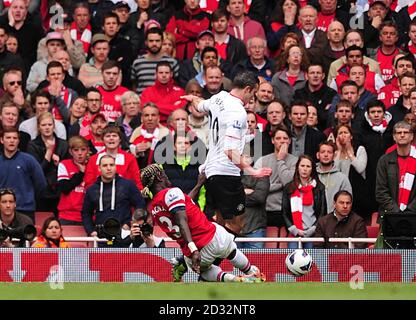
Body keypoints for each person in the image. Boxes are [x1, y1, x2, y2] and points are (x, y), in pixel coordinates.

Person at [139, 163, 266, 283]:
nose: (166, 176)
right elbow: (182, 220)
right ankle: (251, 272)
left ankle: (235, 280)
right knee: (230, 249)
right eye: (164, 174)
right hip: (209, 238)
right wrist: (193, 249)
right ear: (159, 177)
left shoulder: (154, 209)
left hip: (193, 254)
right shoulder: (171, 192)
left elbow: (184, 204)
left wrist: (199, 184)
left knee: (205, 272)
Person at [182, 70, 272, 235]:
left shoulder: (219, 98)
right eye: (253, 93)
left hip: (211, 172)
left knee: (219, 221)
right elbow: (230, 150)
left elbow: (200, 105)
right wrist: (253, 170)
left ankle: (211, 258)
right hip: (226, 173)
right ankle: (208, 254)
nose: (252, 98)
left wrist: (193, 98)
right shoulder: (237, 113)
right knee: (237, 225)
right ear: (247, 89)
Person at [82, 155, 145, 237]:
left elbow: (141, 205)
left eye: (111, 165)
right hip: (101, 237)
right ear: (99, 168)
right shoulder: (92, 189)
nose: (109, 168)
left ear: (115, 167)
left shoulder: (128, 185)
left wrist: (129, 224)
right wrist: (91, 231)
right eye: (105, 165)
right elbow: (86, 213)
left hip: (125, 234)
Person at [376, 121, 416, 248]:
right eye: (399, 133)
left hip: (414, 217)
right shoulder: (385, 160)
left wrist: (409, 211)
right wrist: (397, 213)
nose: (402, 135)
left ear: (412, 136)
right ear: (394, 137)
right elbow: (380, 192)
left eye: (406, 132)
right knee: (389, 262)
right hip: (389, 219)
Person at [255, 125, 298, 228]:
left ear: (290, 141)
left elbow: (288, 183)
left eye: (285, 138)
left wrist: (280, 159)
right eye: (278, 138)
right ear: (272, 140)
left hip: (287, 211)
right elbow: (257, 187)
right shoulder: (262, 160)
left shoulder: (296, 161)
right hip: (264, 210)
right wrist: (279, 185)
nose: (282, 141)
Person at [0, 127, 47, 221]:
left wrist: (28, 198)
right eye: (8, 138)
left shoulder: (29, 160)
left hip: (25, 210)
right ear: (1, 140)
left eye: (15, 138)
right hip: (2, 210)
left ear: (18, 141)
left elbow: (41, 184)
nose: (12, 141)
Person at [26, 112, 69, 214]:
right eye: (43, 125)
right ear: (38, 127)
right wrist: (49, 153)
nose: (47, 128)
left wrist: (60, 164)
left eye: (50, 125)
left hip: (59, 191)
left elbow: (69, 169)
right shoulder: (33, 145)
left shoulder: (63, 144)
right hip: (42, 192)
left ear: (54, 126)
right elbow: (36, 172)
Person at [282, 154, 327, 249]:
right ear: (297, 168)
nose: (305, 169)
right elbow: (284, 212)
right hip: (294, 232)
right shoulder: (289, 188)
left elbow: (322, 212)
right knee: (294, 261)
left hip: (312, 232)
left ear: (312, 169)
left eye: (308, 166)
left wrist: (313, 229)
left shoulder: (319, 188)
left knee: (311, 261)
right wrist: (294, 230)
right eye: (302, 166)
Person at [57, 136, 89, 226]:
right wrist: (81, 174)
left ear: (88, 150)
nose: (80, 153)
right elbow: (65, 188)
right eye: (76, 150)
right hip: (66, 215)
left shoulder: (93, 165)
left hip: (87, 216)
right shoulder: (64, 164)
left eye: (83, 150)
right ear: (70, 152)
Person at [316, 141, 352, 214]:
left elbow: (348, 202)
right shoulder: (312, 176)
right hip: (314, 222)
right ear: (318, 155)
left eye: (329, 152)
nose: (326, 155)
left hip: (335, 221)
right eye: (323, 152)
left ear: (334, 156)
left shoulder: (342, 178)